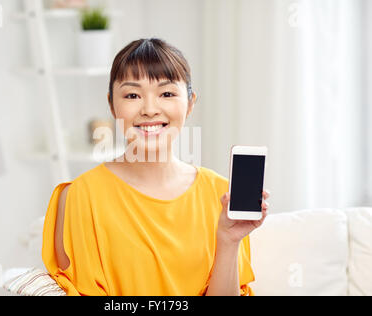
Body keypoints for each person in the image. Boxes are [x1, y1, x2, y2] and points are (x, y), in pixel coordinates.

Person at [42, 38, 270, 296]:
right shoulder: (79, 196)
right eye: (132, 95)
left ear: (190, 102)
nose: (150, 110)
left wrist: (229, 241)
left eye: (167, 94)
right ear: (111, 104)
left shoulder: (221, 196)